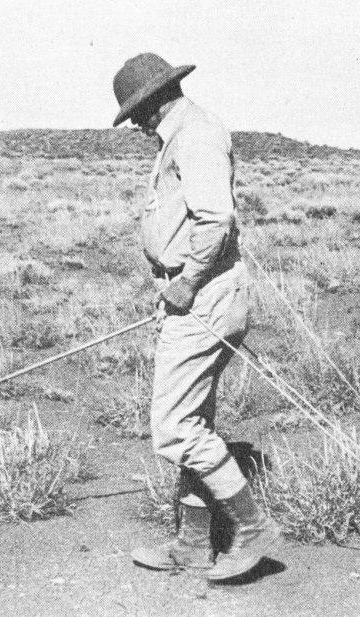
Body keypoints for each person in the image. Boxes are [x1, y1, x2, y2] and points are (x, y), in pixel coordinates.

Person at [110, 52, 281, 581]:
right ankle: (191, 543)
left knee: (175, 428)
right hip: (195, 292)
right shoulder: (182, 134)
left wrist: (185, 281)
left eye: (137, 112)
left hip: (203, 294)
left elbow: (215, 219)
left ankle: (252, 529)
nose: (136, 123)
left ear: (158, 98)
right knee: (193, 421)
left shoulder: (196, 134)